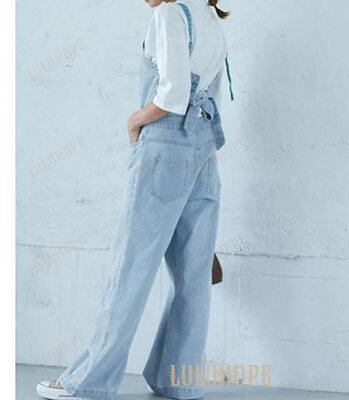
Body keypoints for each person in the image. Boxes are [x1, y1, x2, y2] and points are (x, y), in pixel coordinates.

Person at [36, 0, 232, 399]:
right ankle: (179, 380)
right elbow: (207, 94)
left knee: (132, 264)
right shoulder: (210, 16)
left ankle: (90, 381)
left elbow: (173, 95)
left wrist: (135, 120)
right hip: (204, 151)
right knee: (193, 272)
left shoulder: (170, 14)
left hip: (164, 147)